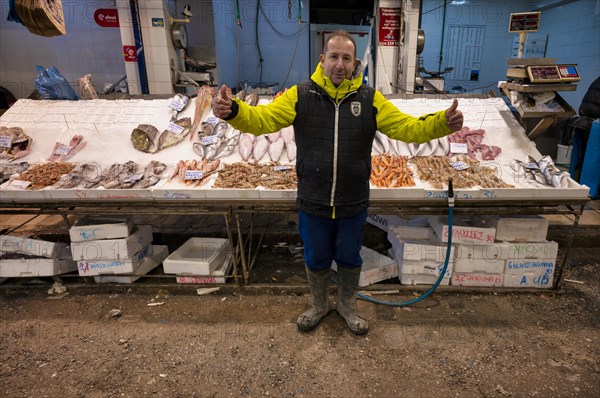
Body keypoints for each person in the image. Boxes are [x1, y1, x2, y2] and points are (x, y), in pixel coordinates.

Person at [212, 30, 463, 335]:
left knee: (348, 256)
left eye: (346, 58)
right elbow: (263, 119)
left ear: (355, 63)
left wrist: (441, 123)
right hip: (312, 199)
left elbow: (406, 128)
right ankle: (319, 305)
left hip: (352, 200)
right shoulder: (300, 95)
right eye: (334, 56)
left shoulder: (371, 99)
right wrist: (234, 111)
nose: (339, 64)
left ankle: (347, 305)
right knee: (316, 256)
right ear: (322, 59)